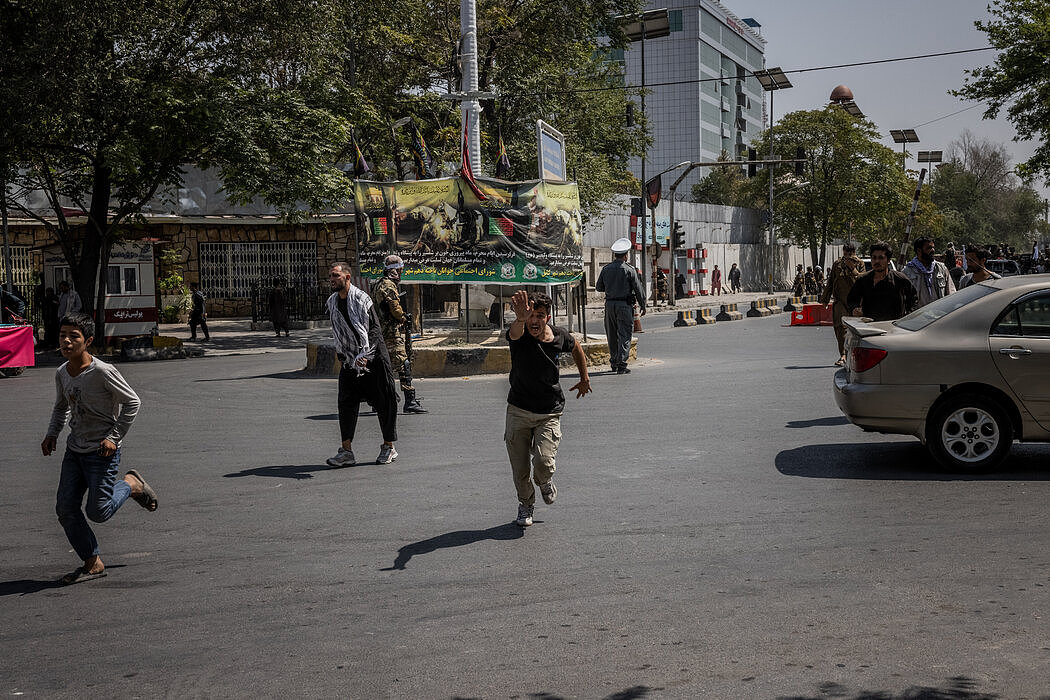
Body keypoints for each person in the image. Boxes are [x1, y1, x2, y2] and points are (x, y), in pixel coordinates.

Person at [41, 312, 158, 585]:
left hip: (102, 451)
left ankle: (130, 484)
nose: (67, 341)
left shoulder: (103, 372)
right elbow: (61, 408)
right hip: (75, 450)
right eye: (63, 336)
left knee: (98, 512)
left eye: (74, 336)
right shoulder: (62, 372)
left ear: (88, 341)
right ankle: (92, 561)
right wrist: (52, 434)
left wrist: (114, 438)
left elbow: (133, 403)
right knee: (65, 508)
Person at [504, 290, 591, 527]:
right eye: (530, 315)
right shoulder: (519, 334)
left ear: (548, 317)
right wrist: (520, 318)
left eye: (539, 315)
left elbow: (577, 348)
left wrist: (584, 378)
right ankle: (526, 504)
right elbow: (513, 332)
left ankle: (545, 481)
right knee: (520, 468)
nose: (534, 320)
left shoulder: (559, 336)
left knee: (543, 461)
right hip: (518, 410)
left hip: (549, 411)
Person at [325, 262, 400, 467]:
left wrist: (367, 354)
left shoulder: (361, 299)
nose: (332, 279)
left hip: (373, 358)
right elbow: (338, 331)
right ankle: (346, 452)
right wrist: (345, 355)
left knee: (384, 401)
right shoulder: (332, 302)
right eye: (330, 276)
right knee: (346, 402)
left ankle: (388, 447)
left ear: (347, 277)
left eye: (335, 276)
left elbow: (373, 330)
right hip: (350, 359)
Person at [370, 254, 427, 414]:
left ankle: (379, 399)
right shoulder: (388, 285)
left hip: (379, 332)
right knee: (404, 364)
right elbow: (394, 308)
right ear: (395, 270)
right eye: (400, 270)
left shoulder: (377, 283)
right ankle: (410, 401)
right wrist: (402, 318)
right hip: (390, 332)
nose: (401, 273)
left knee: (382, 367)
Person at [595, 238, 646, 374]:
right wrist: (643, 305)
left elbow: (599, 287)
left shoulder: (606, 269)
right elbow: (638, 289)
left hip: (610, 305)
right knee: (624, 334)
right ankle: (622, 364)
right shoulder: (629, 270)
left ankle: (614, 362)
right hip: (624, 305)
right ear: (626, 255)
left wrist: (611, 287)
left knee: (611, 335)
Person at [846, 242, 918, 321]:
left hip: (894, 328)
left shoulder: (900, 279)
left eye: (881, 258)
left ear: (888, 260)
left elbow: (913, 300)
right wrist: (854, 310)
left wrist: (907, 319)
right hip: (869, 327)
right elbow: (851, 300)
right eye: (874, 258)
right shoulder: (863, 280)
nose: (877, 261)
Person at [821, 242, 864, 366]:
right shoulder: (837, 264)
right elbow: (830, 282)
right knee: (840, 328)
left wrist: (853, 268)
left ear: (854, 253)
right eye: (845, 254)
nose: (847, 257)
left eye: (850, 254)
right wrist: (825, 299)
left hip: (855, 302)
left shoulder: (859, 264)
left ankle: (855, 354)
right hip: (840, 301)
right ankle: (843, 355)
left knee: (856, 330)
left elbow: (862, 280)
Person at [901, 236, 955, 307]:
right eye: (929, 248)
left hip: (940, 314)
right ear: (919, 251)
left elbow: (951, 293)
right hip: (918, 315)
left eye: (933, 247)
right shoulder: (907, 272)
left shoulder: (941, 268)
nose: (933, 250)